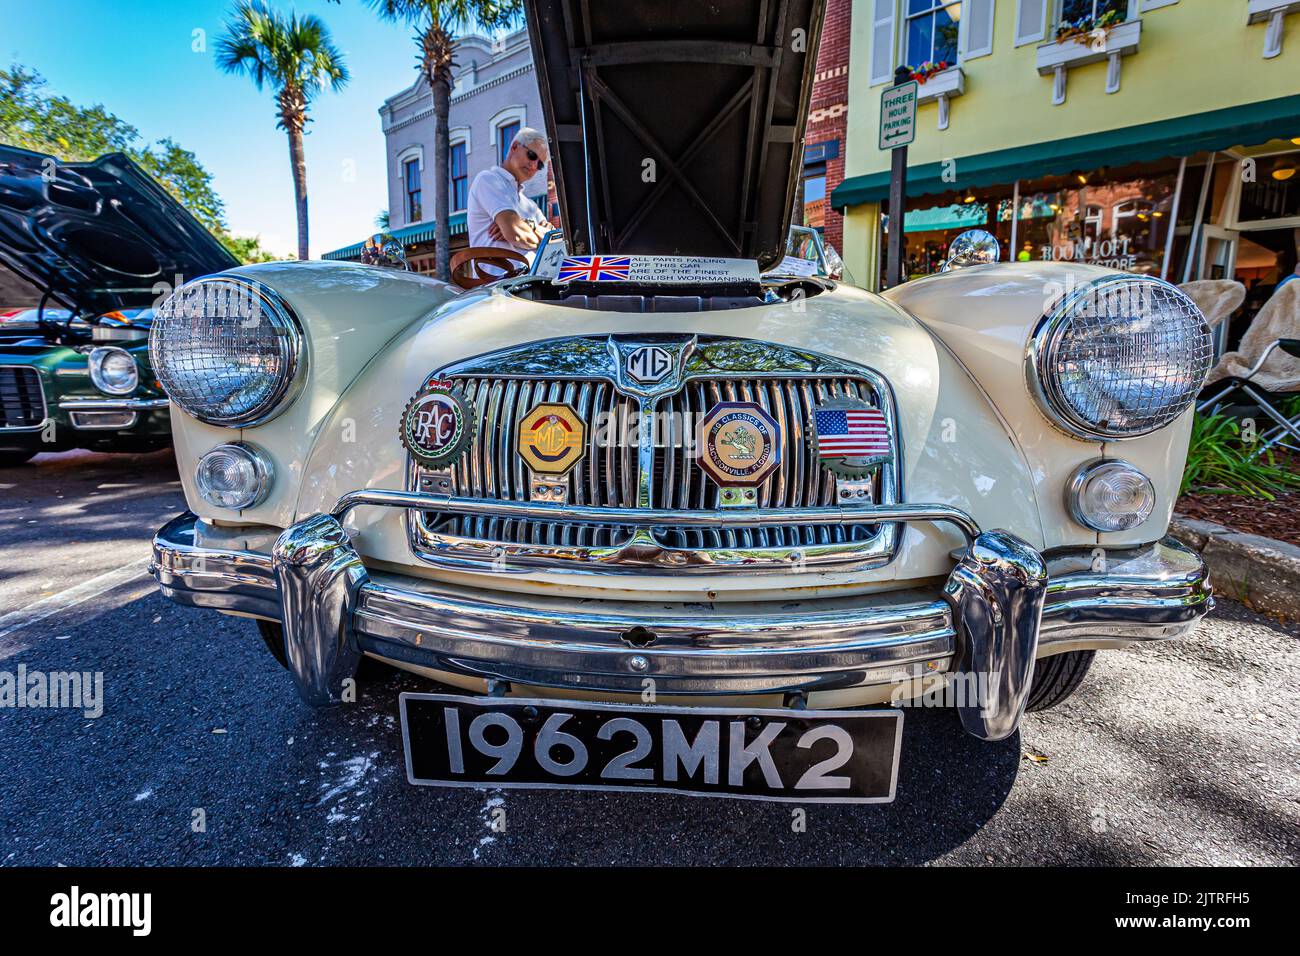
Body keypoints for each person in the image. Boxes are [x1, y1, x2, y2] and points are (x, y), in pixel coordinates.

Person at [466, 127, 552, 263]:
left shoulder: (531, 205)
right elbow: (516, 234)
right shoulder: (488, 179)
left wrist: (527, 225)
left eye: (540, 164)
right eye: (532, 155)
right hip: (499, 281)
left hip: (530, 280)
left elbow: (553, 243)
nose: (534, 165)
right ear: (514, 146)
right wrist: (533, 233)